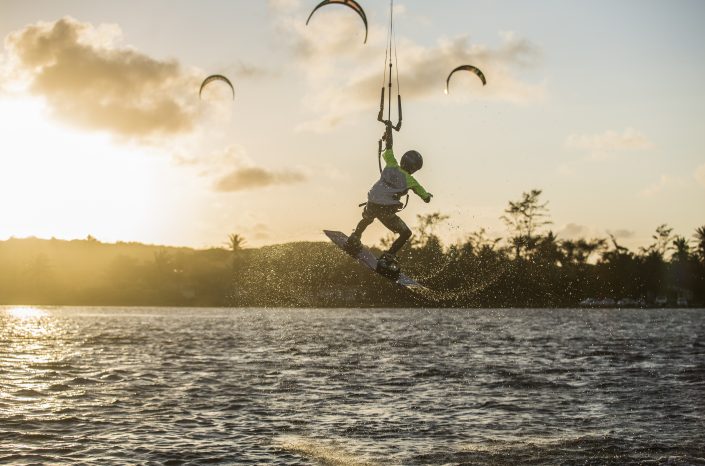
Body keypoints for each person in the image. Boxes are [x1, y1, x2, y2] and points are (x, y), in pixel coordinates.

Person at [345, 123, 432, 276]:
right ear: (415, 169)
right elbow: (424, 197)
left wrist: (389, 130)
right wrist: (427, 196)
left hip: (372, 201)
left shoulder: (391, 163)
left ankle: (354, 238)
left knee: (367, 218)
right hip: (386, 210)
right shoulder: (411, 181)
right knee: (406, 233)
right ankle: (387, 257)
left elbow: (389, 146)